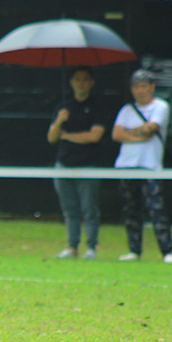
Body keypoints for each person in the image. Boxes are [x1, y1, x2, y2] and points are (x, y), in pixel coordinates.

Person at [112, 69, 172, 264]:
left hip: (150, 167)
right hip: (126, 167)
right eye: (136, 87)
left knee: (156, 210)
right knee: (131, 210)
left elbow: (151, 130)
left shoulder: (161, 107)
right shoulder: (126, 110)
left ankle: (167, 252)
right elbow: (116, 135)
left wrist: (128, 133)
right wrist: (138, 133)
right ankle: (134, 251)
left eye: (143, 86)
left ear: (152, 87)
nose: (140, 91)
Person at [46, 67, 107, 260]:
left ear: (91, 83)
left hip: (88, 166)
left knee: (89, 209)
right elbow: (52, 138)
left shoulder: (97, 108)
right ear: (71, 82)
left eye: (84, 79)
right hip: (63, 166)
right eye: (77, 79)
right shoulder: (62, 108)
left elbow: (94, 136)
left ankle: (91, 248)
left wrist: (68, 136)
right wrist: (59, 122)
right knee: (69, 209)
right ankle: (72, 247)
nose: (80, 83)